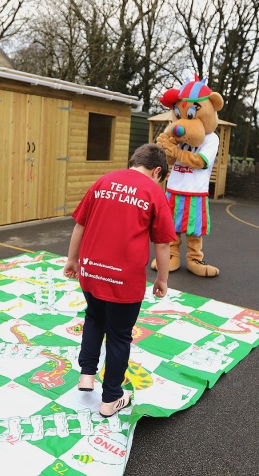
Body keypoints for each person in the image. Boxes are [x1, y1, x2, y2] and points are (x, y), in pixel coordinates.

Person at [63, 143, 176, 417]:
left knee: (94, 318)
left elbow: (80, 224)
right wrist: (162, 278)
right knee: (118, 336)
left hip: (91, 271)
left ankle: (87, 373)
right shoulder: (153, 192)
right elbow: (162, 244)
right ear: (157, 171)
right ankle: (111, 397)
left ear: (134, 161)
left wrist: (71, 259)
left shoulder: (103, 181)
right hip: (124, 280)